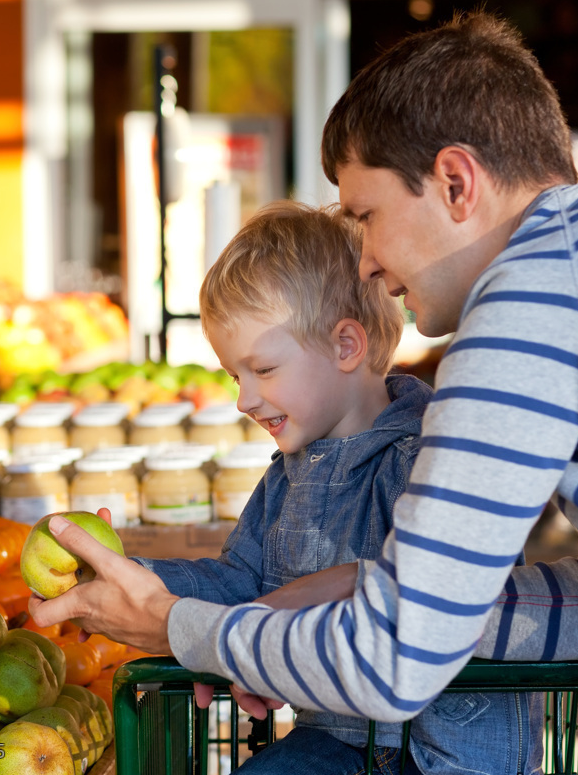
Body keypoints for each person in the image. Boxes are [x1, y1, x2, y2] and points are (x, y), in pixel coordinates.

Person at [33, 10, 578, 741]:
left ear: (456, 182)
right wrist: (372, 588)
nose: (366, 259)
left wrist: (175, 626)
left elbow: (391, 665)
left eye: (365, 214)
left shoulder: (533, 297)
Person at [130, 200, 541, 774]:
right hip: (344, 739)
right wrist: (140, 581)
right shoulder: (285, 475)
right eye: (234, 376)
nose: (244, 398)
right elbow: (241, 580)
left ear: (346, 346)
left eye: (263, 370)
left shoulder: (429, 459)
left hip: (446, 752)